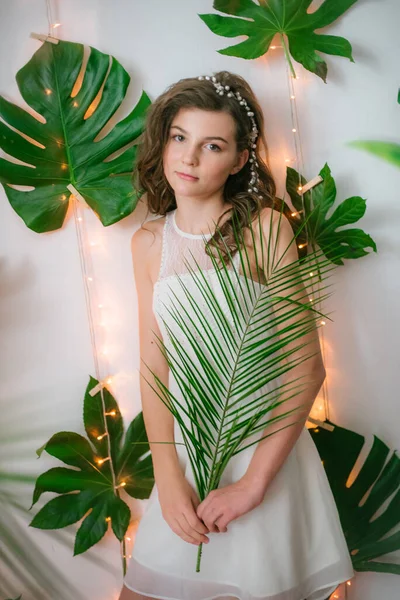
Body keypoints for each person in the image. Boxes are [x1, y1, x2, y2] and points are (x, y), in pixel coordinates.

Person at [119, 71, 354, 600]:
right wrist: (170, 478)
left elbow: (306, 368)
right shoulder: (148, 243)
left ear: (241, 159)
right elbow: (154, 369)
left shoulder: (265, 229)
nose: (189, 157)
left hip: (260, 452)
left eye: (212, 145)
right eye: (179, 137)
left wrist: (252, 486)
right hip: (187, 455)